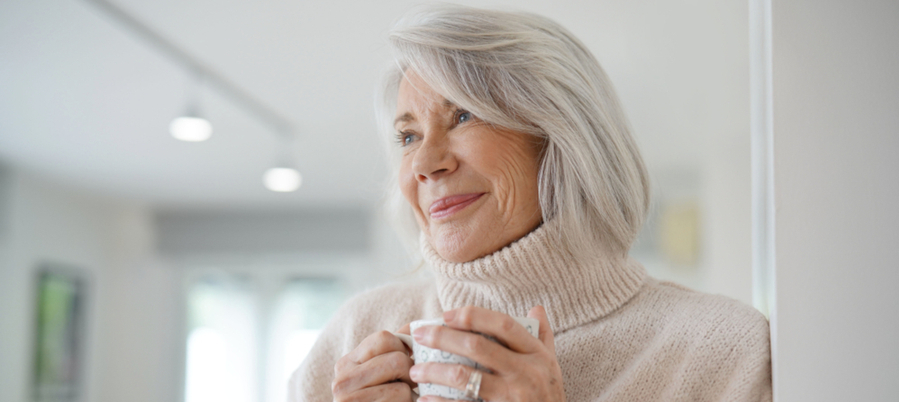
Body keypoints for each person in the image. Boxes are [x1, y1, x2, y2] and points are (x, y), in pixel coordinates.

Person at [289, 4, 771, 402]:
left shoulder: (723, 352)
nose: (425, 163)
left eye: (463, 114)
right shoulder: (354, 337)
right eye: (409, 135)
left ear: (560, 136)